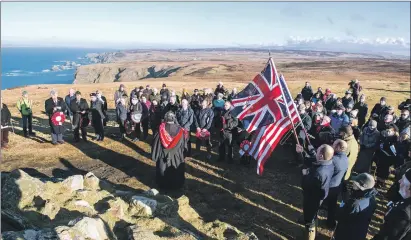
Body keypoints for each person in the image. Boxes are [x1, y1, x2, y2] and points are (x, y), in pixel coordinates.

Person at [297, 144, 335, 240]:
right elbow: (313, 160)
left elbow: (306, 186)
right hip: (318, 198)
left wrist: (305, 175)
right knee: (314, 216)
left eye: (317, 151)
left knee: (309, 221)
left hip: (312, 199)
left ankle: (310, 236)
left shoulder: (318, 172)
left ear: (321, 156)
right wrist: (302, 152)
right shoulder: (329, 163)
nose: (315, 153)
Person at [334, 173, 377, 240]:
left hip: (346, 234)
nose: (353, 183)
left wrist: (342, 206)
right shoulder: (372, 199)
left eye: (355, 183)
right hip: (360, 232)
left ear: (361, 187)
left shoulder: (354, 204)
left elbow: (341, 217)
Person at [151, 111, 187, 190]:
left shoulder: (160, 130)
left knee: (163, 169)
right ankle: (176, 186)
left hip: (163, 155)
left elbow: (155, 144)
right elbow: (184, 146)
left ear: (165, 119)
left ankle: (163, 186)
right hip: (176, 156)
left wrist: (155, 155)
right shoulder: (180, 131)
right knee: (176, 170)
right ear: (174, 118)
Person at [373, 170, 411, 240]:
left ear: (409, 188)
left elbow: (389, 236)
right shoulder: (404, 202)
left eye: (403, 179)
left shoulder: (403, 213)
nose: (399, 181)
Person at [326, 139, 349, 229]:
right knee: (332, 206)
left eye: (334, 145)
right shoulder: (345, 158)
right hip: (337, 186)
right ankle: (330, 222)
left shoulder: (334, 160)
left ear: (339, 147)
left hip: (329, 187)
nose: (332, 145)